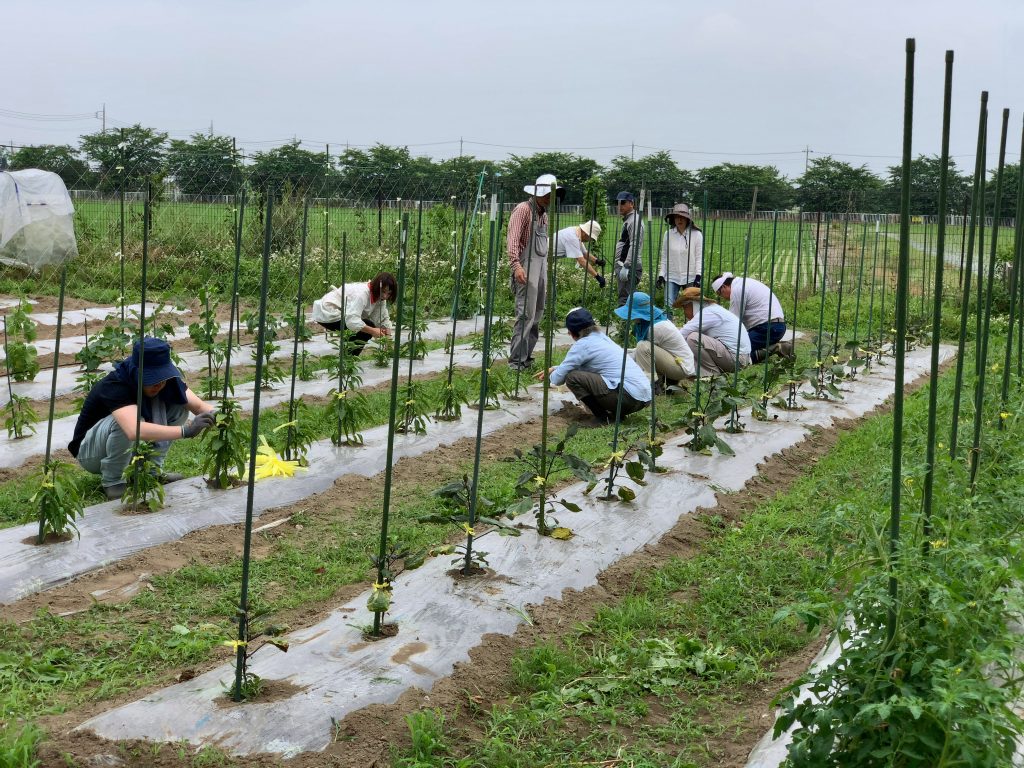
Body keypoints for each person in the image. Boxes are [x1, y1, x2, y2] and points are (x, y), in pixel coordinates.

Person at [69, 337, 216, 500]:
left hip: (126, 449)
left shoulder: (168, 382)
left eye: (161, 378)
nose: (158, 385)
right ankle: (114, 482)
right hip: (91, 453)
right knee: (126, 424)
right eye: (151, 379)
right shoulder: (116, 384)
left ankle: (151, 472)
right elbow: (133, 430)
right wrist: (186, 431)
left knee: (179, 408)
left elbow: (201, 407)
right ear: (136, 371)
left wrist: (223, 417)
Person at [535, 307, 651, 425]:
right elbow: (588, 367)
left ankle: (602, 418)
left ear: (572, 332)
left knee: (572, 377)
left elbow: (557, 379)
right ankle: (617, 415)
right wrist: (556, 368)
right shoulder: (603, 338)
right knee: (594, 376)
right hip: (643, 398)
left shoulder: (582, 345)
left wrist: (554, 373)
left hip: (627, 399)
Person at [507, 173, 565, 370]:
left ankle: (526, 356)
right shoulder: (523, 210)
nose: (551, 198)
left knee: (537, 312)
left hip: (540, 268)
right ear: (538, 193)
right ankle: (516, 361)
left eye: (553, 195)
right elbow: (513, 239)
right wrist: (516, 266)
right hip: (526, 268)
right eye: (548, 194)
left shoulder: (544, 215)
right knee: (525, 314)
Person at [615, 291, 696, 386]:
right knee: (638, 350)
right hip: (675, 361)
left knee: (643, 347)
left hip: (681, 368)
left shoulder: (655, 328)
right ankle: (665, 381)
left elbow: (642, 353)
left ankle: (651, 383)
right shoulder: (649, 322)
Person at [711, 272, 794, 362]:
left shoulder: (737, 290)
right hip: (775, 326)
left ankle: (777, 348)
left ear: (723, 287)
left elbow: (733, 321)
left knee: (736, 354)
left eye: (720, 294)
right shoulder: (743, 283)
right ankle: (773, 347)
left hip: (767, 328)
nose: (722, 297)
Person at [673, 287, 751, 376]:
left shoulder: (707, 313)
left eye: (684, 307)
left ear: (692, 304)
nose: (684, 312)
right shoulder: (712, 309)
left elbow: (683, 333)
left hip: (737, 360)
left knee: (693, 338)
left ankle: (710, 374)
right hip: (741, 357)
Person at [312, 271, 396, 354]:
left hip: (342, 314)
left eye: (389, 294)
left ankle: (348, 358)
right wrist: (373, 331)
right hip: (328, 312)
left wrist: (388, 339)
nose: (385, 296)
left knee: (365, 327)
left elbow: (382, 317)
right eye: (383, 291)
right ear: (377, 287)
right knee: (366, 328)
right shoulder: (362, 293)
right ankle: (347, 359)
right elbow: (352, 321)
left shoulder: (380, 298)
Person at [657, 203, 703, 307]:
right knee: (668, 305)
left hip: (691, 276)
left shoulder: (696, 235)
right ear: (673, 219)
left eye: (682, 217)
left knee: (692, 306)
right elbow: (664, 256)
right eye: (677, 217)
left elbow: (699, 257)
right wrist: (661, 275)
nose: (680, 220)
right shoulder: (668, 234)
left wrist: (698, 276)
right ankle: (669, 323)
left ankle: (692, 324)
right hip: (672, 275)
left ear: (687, 219)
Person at [614, 191, 645, 306]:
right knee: (627, 298)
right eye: (617, 203)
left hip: (628, 267)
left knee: (625, 300)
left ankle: (625, 323)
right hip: (624, 266)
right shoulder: (629, 220)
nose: (619, 206)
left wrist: (626, 265)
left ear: (631, 203)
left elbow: (635, 244)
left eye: (623, 202)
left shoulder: (634, 221)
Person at [555, 219, 606, 288]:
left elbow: (584, 253)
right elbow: (581, 261)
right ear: (586, 233)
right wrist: (597, 277)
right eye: (591, 238)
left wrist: (597, 261)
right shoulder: (572, 237)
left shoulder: (576, 232)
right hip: (542, 256)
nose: (590, 240)